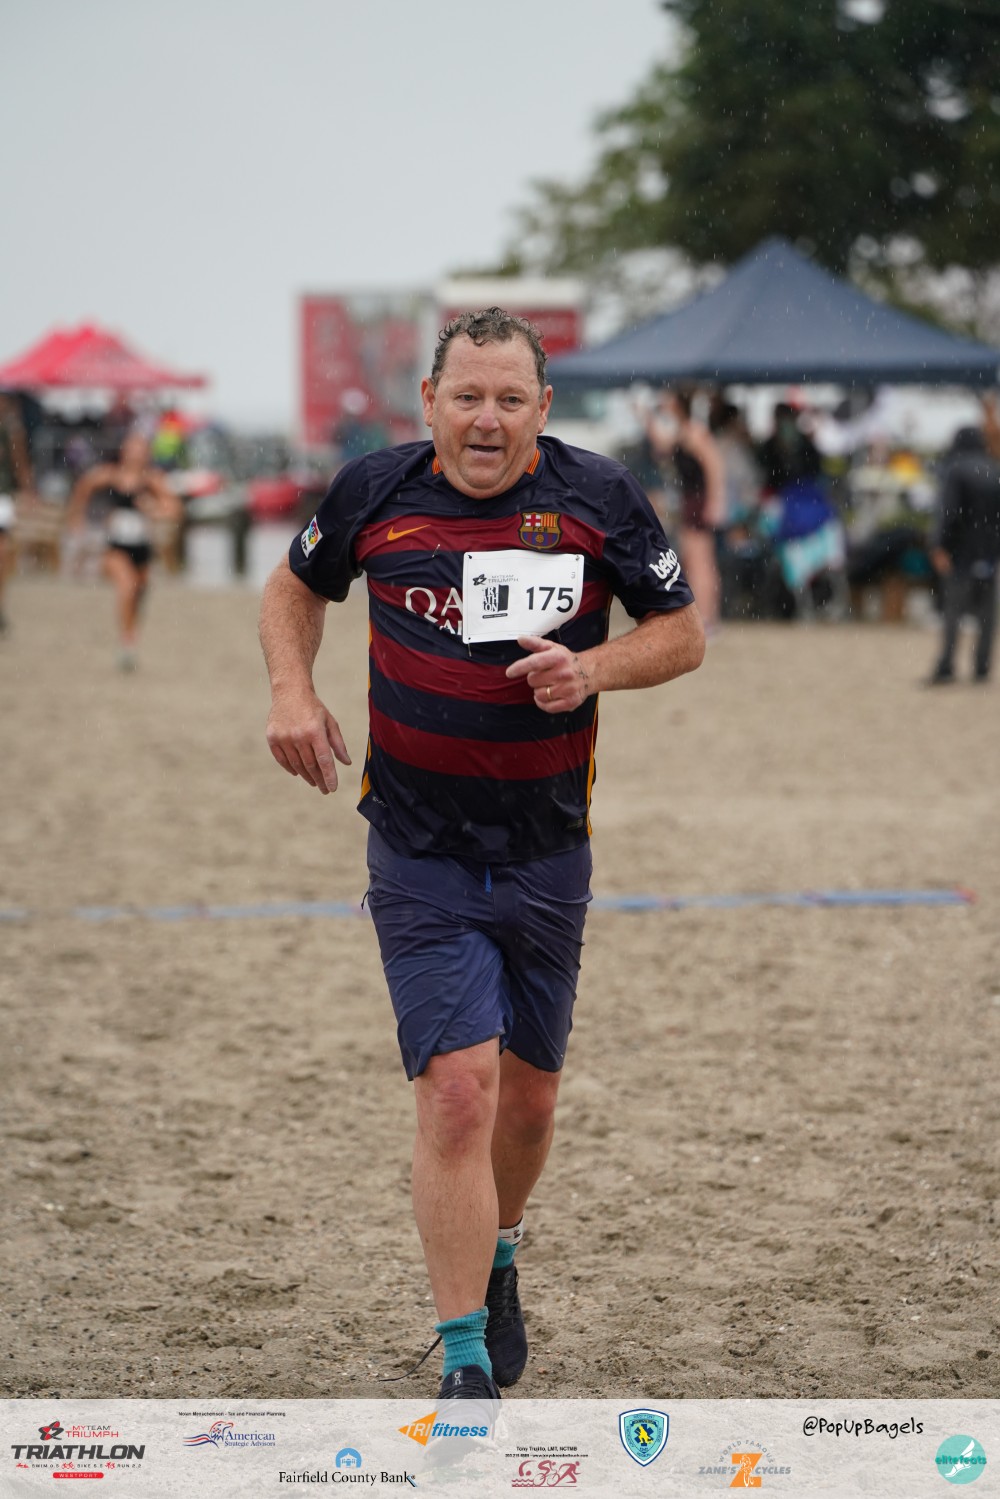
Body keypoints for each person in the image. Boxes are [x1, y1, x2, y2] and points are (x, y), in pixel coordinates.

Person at [259, 307, 704, 1406]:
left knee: (529, 1102)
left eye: (510, 399)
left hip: (549, 845)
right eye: (467, 396)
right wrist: (291, 690)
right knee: (459, 1090)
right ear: (430, 402)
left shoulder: (599, 496)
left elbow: (681, 631)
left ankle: (500, 1250)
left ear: (543, 409)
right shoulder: (374, 490)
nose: (487, 419)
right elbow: (294, 587)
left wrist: (592, 670)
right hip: (418, 848)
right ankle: (464, 1357)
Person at [66, 430, 182, 670]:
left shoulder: (152, 480)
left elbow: (174, 509)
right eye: (132, 448)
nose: (136, 454)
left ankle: (129, 637)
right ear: (124, 451)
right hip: (115, 546)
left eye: (141, 449)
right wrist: (77, 519)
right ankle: (127, 644)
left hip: (142, 547)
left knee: (139, 595)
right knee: (126, 586)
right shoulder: (110, 475)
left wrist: (154, 509)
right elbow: (83, 488)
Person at [644, 386, 725, 633]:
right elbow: (661, 447)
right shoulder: (682, 432)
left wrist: (715, 502)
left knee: (701, 562)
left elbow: (714, 466)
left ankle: (708, 618)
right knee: (692, 559)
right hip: (691, 501)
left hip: (699, 501)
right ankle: (704, 616)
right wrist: (647, 416)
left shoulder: (695, 433)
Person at [926, 423, 1000, 686]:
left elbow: (949, 512)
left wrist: (939, 545)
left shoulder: (955, 470)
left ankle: (947, 664)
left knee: (954, 611)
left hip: (961, 552)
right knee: (987, 614)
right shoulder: (994, 469)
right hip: (989, 551)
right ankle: (982, 667)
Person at [0, 388, 34, 634]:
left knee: (3, 553)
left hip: (2, 497)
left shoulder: (11, 430)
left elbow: (20, 462)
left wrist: (27, 491)